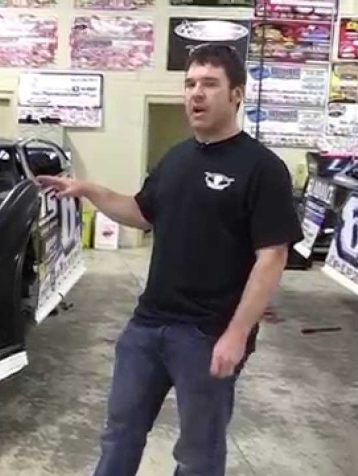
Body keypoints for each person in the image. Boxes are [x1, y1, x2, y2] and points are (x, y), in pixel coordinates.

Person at [35, 44, 303, 476]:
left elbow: (272, 256)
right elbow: (141, 212)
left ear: (236, 94)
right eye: (190, 83)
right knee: (119, 433)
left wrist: (237, 334)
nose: (196, 93)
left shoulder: (262, 168)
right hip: (147, 326)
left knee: (198, 455)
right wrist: (89, 190)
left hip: (207, 334)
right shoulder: (176, 158)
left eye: (210, 84)